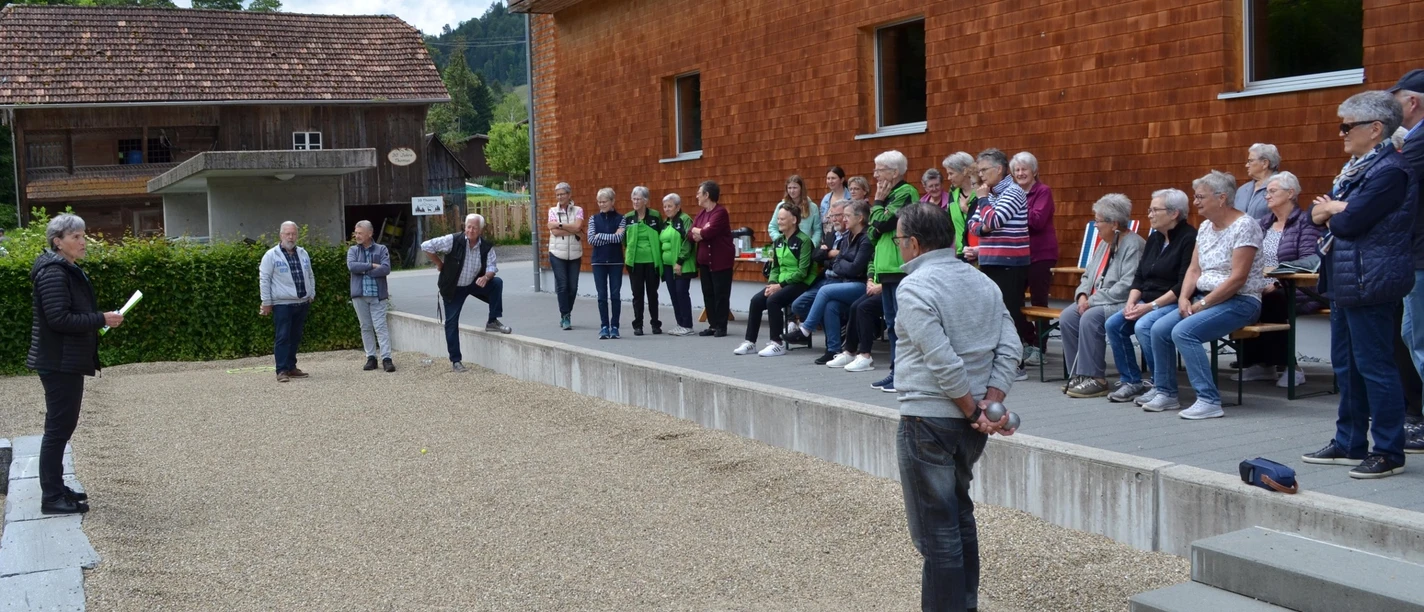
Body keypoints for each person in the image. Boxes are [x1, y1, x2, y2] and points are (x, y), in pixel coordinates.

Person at [892, 202, 1020, 612]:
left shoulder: (914, 287)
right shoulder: (982, 281)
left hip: (930, 419)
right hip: (970, 423)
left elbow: (941, 359)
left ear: (912, 244)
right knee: (959, 518)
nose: (898, 247)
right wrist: (990, 404)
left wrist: (972, 409)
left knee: (937, 534)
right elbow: (1011, 345)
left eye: (898, 240)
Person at [1303, 90, 1418, 479]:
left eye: (1346, 126)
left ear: (1375, 128)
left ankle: (1388, 451)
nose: (1341, 134)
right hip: (1345, 277)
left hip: (1372, 280)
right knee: (1347, 367)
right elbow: (1312, 215)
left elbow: (1350, 223)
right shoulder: (1357, 169)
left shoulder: (1390, 171)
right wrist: (1333, 209)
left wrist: (1334, 210)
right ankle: (1349, 443)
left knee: (1375, 367)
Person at [1140, 171, 1267, 419]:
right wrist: (1184, 298)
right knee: (1158, 329)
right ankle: (1166, 394)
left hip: (1241, 301)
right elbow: (1194, 269)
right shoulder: (1206, 227)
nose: (1195, 202)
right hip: (1204, 299)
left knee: (1183, 332)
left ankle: (1209, 400)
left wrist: (1203, 303)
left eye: (1200, 197)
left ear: (1221, 198)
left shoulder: (1245, 226)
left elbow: (1238, 278)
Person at [28, 213, 124, 515]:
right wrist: (101, 319)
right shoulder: (54, 273)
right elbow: (58, 319)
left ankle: (56, 488)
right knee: (58, 429)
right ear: (58, 242)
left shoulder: (65, 269)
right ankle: (51, 497)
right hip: (58, 361)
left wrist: (98, 320)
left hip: (64, 359)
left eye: (83, 236)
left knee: (61, 427)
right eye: (76, 237)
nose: (83, 242)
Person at [1104, 189, 1198, 404]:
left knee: (1144, 325)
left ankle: (1160, 385)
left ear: (1174, 213)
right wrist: (1131, 303)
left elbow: (1183, 284)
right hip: (1146, 300)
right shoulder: (1155, 237)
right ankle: (1131, 381)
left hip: (1172, 301)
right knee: (1114, 325)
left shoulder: (1189, 238)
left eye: (1155, 210)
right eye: (1150, 210)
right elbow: (1139, 276)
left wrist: (1149, 306)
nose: (1150, 214)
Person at [1231, 172, 1322, 388]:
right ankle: (1259, 364)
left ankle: (1290, 366)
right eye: (1267, 192)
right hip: (1262, 284)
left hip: (1297, 287)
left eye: (1272, 191)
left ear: (1291, 193)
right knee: (1238, 296)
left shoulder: (1305, 223)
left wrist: (1277, 282)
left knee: (1273, 301)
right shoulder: (1263, 223)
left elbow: (1310, 260)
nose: (1267, 196)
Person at [1060, 195, 1145, 398]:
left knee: (1091, 317)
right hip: (1095, 299)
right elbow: (1088, 275)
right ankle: (1080, 374)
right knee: (1067, 317)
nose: (1095, 225)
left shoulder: (1134, 245)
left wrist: (1091, 301)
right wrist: (1082, 295)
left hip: (1123, 302)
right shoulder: (1104, 243)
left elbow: (1127, 285)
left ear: (1114, 223)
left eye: (1098, 221)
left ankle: (1096, 378)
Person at [969, 148, 1032, 380]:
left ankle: (1018, 365)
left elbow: (994, 221)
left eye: (984, 170)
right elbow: (974, 226)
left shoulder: (1013, 192)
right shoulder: (991, 195)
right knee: (992, 313)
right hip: (990, 260)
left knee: (1010, 313)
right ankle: (999, 361)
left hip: (1010, 262)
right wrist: (986, 220)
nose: (981, 175)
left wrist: (984, 203)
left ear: (999, 169)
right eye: (979, 170)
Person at [422, 213, 512, 372]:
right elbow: (426, 245)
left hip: (473, 283)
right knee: (451, 322)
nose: (470, 230)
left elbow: (492, 266)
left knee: (497, 283)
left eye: (474, 228)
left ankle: (492, 321)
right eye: (468, 226)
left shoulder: (486, 246)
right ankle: (456, 361)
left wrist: (486, 276)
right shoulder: (453, 240)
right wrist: (439, 263)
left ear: (480, 230)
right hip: (453, 288)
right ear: (464, 227)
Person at [790, 199, 872, 365]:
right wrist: (841, 260)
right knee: (830, 305)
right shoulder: (849, 235)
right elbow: (839, 260)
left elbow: (855, 268)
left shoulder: (866, 238)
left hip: (861, 285)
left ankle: (806, 329)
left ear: (860, 218)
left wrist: (840, 261)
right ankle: (833, 350)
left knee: (825, 291)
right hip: (847, 282)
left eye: (847, 216)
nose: (844, 219)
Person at [1390, 69, 1424, 453]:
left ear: (1411, 102)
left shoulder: (1418, 143)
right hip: (1411, 254)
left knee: (1418, 341)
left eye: (1396, 100)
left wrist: (1336, 205)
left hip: (1418, 255)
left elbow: (1386, 185)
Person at [867, 150, 919, 392]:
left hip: (901, 268)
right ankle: (894, 371)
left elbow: (883, 224)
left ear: (895, 172)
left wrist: (877, 204)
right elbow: (871, 232)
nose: (875, 174)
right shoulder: (886, 196)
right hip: (885, 269)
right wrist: (879, 214)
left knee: (903, 324)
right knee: (891, 324)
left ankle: (906, 374)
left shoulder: (905, 193)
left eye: (879, 169)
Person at [733, 205, 816, 357]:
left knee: (773, 301)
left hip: (800, 284)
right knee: (756, 301)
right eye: (778, 218)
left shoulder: (804, 241)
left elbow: (802, 272)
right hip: (780, 283)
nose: (779, 221)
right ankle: (750, 342)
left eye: (782, 219)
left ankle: (777, 343)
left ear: (794, 220)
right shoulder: (778, 241)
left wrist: (780, 286)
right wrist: (772, 283)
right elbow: (775, 267)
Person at [1012, 152, 1058, 367]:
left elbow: (1038, 221)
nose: (1020, 173)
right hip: (1018, 254)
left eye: (1024, 169)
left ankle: (1041, 348)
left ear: (1034, 171)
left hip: (1041, 254)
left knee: (1039, 301)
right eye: (1017, 170)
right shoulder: (1013, 193)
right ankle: (1028, 342)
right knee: (1014, 300)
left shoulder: (1043, 191)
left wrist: (1014, 210)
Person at [260, 221, 316, 383]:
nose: (291, 237)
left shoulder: (303, 253)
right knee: (283, 337)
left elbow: (310, 274)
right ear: (281, 235)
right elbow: (264, 279)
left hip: (302, 302)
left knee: (295, 336)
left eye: (293, 234)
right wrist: (266, 302)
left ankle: (291, 367)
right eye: (287, 234)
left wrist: (311, 293)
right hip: (282, 304)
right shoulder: (271, 255)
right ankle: (282, 369)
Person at [347, 220, 394, 373]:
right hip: (359, 295)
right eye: (356, 232)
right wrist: (372, 266)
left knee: (380, 327)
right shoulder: (353, 250)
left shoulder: (381, 249)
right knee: (365, 327)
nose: (357, 236)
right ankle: (371, 357)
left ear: (370, 233)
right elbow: (352, 266)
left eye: (360, 233)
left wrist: (364, 270)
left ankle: (387, 358)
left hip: (377, 295)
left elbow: (386, 269)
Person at [692, 180, 733, 337]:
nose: (697, 196)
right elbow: (691, 233)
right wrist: (699, 231)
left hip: (720, 261)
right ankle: (713, 324)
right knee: (708, 293)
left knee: (720, 294)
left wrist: (701, 232)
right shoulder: (701, 214)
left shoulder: (720, 212)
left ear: (707, 195)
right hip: (705, 261)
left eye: (699, 193)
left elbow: (709, 233)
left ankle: (721, 326)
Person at [587, 187, 626, 339]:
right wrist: (610, 236)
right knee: (602, 296)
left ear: (612, 201)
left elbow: (619, 239)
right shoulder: (593, 219)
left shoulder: (621, 218)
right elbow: (591, 239)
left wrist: (600, 236)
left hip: (616, 261)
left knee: (615, 295)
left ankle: (615, 326)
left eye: (604, 201)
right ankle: (604, 326)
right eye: (599, 202)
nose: (601, 204)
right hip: (598, 262)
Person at [624, 186, 664, 336]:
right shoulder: (628, 217)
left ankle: (655, 324)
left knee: (652, 293)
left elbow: (661, 235)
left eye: (638, 199)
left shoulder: (654, 216)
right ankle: (638, 325)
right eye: (633, 199)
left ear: (646, 201)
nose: (635, 201)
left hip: (652, 261)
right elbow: (624, 241)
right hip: (635, 262)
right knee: (637, 294)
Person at [547, 182, 584, 330]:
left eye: (562, 194)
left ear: (569, 195)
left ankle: (567, 312)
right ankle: (565, 315)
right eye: (557, 194)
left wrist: (560, 225)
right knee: (562, 285)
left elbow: (578, 226)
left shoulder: (578, 210)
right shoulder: (552, 211)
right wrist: (573, 230)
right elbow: (554, 232)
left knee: (573, 287)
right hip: (557, 253)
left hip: (575, 253)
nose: (560, 197)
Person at [660, 193, 698, 336]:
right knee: (674, 294)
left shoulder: (684, 220)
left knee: (681, 293)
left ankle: (687, 325)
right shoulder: (666, 222)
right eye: (665, 206)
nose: (667, 209)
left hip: (681, 264)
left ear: (678, 206)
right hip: (668, 266)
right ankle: (680, 323)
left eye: (670, 206)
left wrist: (679, 261)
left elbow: (688, 241)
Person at [768, 174, 824, 248]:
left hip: (805, 247)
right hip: (786, 248)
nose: (792, 191)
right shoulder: (781, 206)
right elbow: (772, 227)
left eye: (795, 188)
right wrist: (780, 242)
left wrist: (811, 244)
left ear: (801, 188)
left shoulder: (812, 207)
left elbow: (817, 230)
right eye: (789, 188)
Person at [942, 152, 977, 258]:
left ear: (965, 171)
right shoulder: (953, 193)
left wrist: (968, 211)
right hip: (961, 253)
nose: (948, 178)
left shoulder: (982, 191)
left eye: (951, 173)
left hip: (978, 251)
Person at [1234, 144, 1281, 220]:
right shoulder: (1242, 190)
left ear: (1265, 163)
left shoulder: (1281, 187)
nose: (1246, 165)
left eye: (1250, 161)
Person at [820, 166, 849, 236]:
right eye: (828, 178)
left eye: (833, 178)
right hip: (828, 238)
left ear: (842, 179)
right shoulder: (825, 199)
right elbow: (821, 221)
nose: (830, 181)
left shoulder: (850, 198)